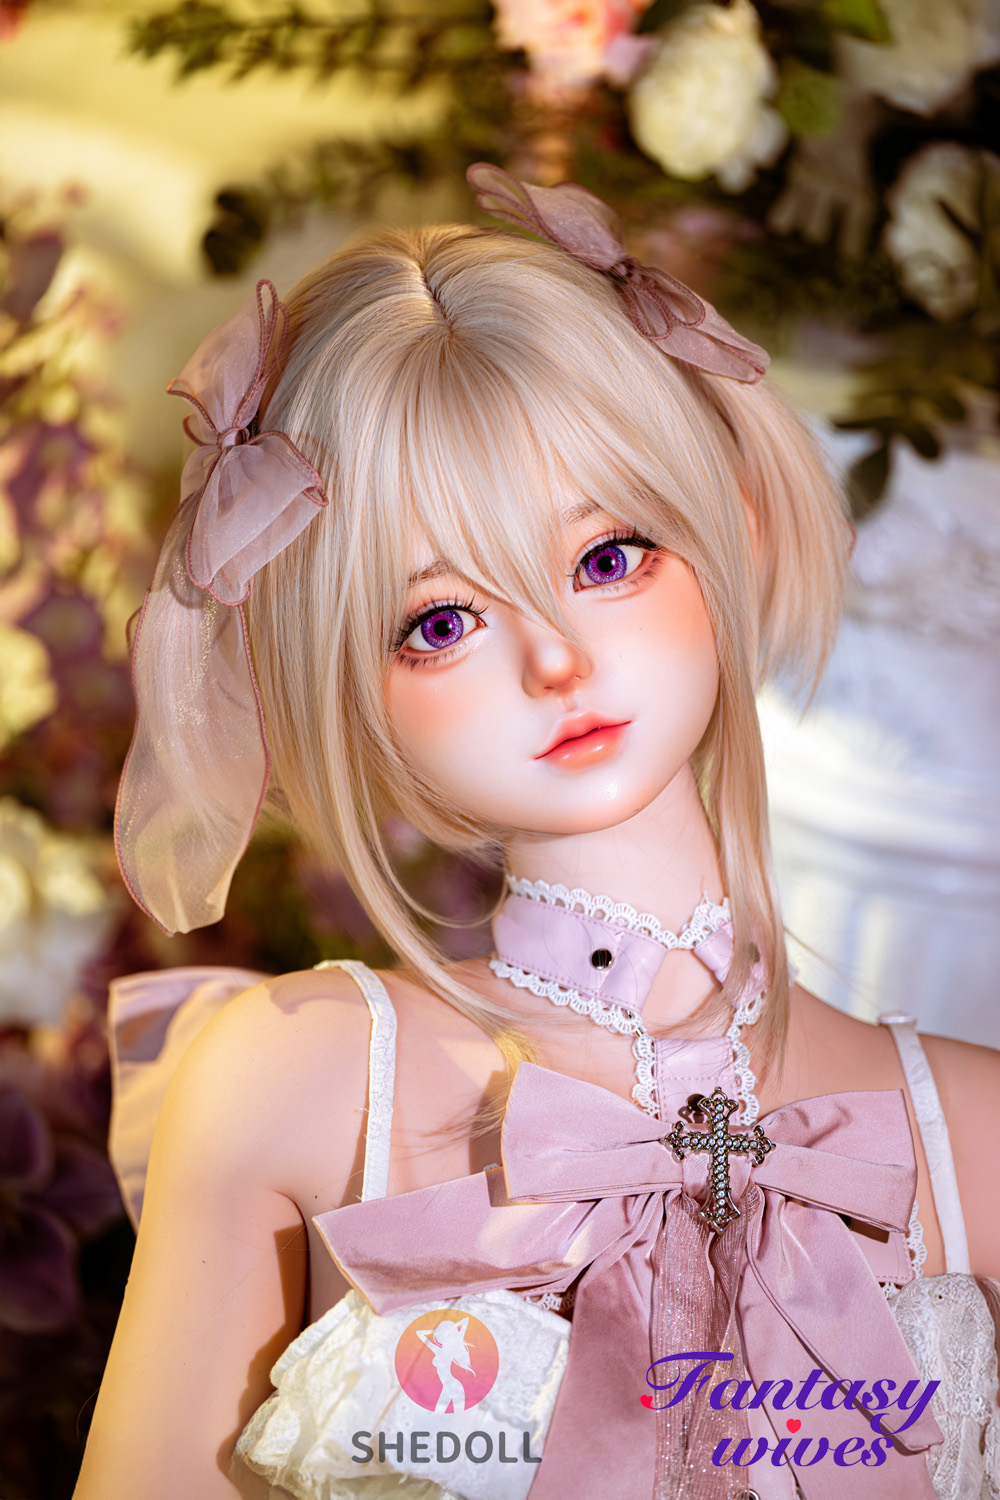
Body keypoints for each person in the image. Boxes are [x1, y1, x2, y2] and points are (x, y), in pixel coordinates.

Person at [73, 165, 1000, 1500]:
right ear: (330, 678)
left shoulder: (970, 1128)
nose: (558, 661)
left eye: (608, 558)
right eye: (442, 622)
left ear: (730, 530)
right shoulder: (296, 1084)